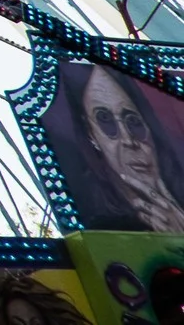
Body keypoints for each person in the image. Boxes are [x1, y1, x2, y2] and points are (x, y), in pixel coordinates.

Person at [72, 63, 184, 233]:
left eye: (133, 121)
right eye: (105, 120)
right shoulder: (100, 225)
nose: (128, 140)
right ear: (91, 135)